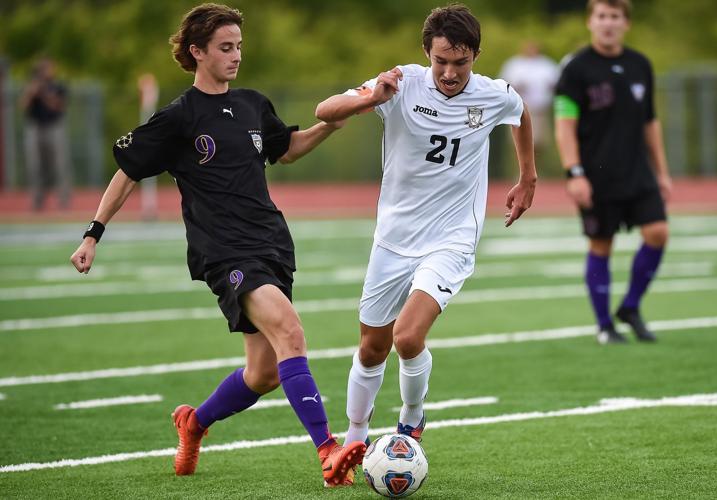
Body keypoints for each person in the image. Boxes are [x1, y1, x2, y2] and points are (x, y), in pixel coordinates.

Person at [69, 3, 365, 486]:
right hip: (223, 252)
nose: (235, 56)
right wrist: (92, 234)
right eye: (225, 48)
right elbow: (128, 174)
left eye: (239, 47)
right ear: (197, 52)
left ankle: (195, 422)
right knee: (290, 332)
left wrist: (330, 125)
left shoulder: (251, 103)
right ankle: (328, 451)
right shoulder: (178, 117)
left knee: (265, 373)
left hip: (271, 242)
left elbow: (286, 149)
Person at [315, 3, 537, 482]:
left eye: (461, 62)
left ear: (475, 56)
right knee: (371, 349)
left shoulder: (492, 94)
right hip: (393, 239)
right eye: (441, 62)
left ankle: (411, 421)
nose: (450, 72)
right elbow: (323, 111)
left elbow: (520, 114)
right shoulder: (400, 84)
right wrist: (372, 97)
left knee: (407, 336)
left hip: (452, 237)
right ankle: (353, 439)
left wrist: (528, 178)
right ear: (426, 54)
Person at [554, 0, 672, 344]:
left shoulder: (640, 65)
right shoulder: (576, 68)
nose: (608, 23)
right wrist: (574, 172)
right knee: (601, 244)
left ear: (626, 23)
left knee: (658, 232)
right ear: (590, 22)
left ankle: (631, 306)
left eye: (615, 17)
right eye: (601, 16)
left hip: (638, 172)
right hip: (596, 175)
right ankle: (605, 325)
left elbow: (651, 122)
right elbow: (564, 125)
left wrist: (662, 172)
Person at [19, 57, 71, 211]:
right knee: (35, 166)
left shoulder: (58, 86)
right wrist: (32, 92)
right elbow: (23, 106)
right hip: (35, 127)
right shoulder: (32, 85)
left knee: (60, 165)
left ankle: (63, 201)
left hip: (54, 127)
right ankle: (37, 202)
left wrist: (44, 95)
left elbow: (59, 106)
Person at [498, 40, 559, 150]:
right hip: (518, 110)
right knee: (518, 143)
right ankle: (520, 167)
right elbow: (503, 86)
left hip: (539, 110)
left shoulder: (547, 65)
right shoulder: (514, 64)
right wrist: (517, 87)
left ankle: (535, 166)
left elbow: (556, 84)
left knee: (538, 142)